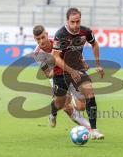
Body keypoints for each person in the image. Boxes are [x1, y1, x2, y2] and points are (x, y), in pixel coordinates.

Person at [51, 8, 105, 140]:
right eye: (72, 22)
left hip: (79, 69)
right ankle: (52, 112)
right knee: (60, 103)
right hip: (61, 72)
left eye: (78, 21)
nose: (75, 25)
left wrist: (97, 65)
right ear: (67, 21)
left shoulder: (85, 31)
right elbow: (56, 58)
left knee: (89, 94)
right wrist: (71, 71)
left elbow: (95, 44)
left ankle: (94, 130)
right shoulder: (60, 34)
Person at [31, 25, 90, 129]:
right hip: (55, 77)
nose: (41, 41)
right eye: (38, 39)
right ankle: (89, 128)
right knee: (65, 105)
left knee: (81, 107)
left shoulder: (58, 41)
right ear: (35, 39)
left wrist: (82, 61)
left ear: (47, 35)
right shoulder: (38, 54)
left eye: (43, 37)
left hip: (69, 72)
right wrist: (57, 67)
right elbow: (48, 74)